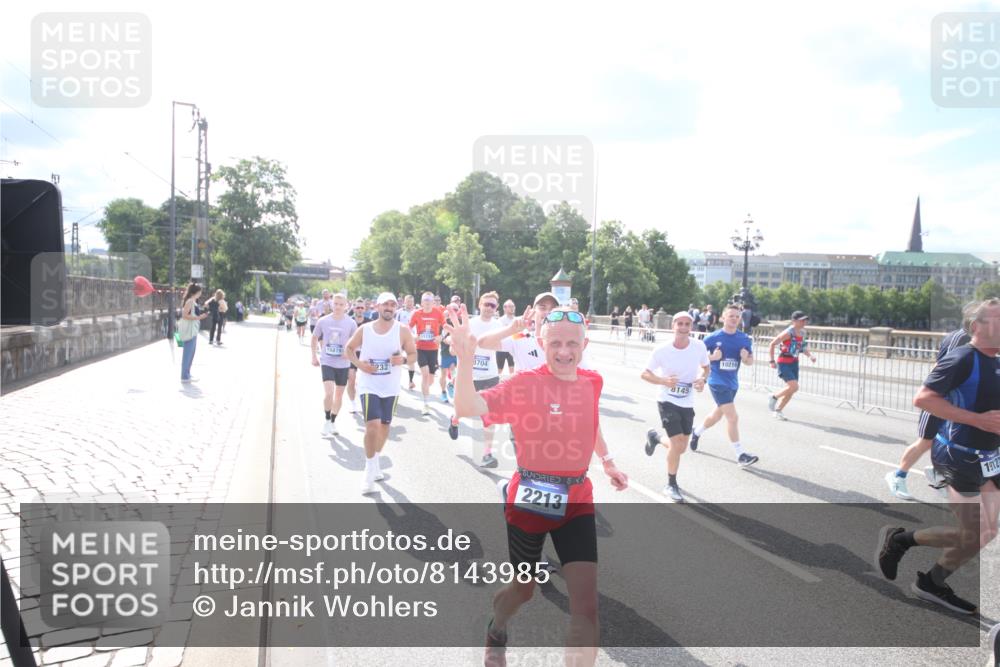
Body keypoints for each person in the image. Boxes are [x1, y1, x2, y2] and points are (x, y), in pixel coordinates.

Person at [448, 305, 628, 667]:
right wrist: (466, 361)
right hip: (531, 498)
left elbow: (590, 422)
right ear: (540, 343)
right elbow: (468, 407)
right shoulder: (524, 384)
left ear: (585, 343)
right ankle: (497, 628)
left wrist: (607, 461)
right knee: (523, 590)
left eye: (572, 344)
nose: (564, 351)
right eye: (556, 343)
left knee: (586, 608)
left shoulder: (592, 381)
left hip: (577, 497)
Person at [875, 298, 1000, 615]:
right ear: (978, 327)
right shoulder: (962, 359)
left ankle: (932, 583)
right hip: (958, 455)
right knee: (973, 532)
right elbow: (924, 398)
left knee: (986, 531)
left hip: (989, 456)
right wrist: (977, 420)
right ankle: (901, 540)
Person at [886, 322, 972, 499]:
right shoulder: (960, 337)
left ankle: (938, 473)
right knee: (926, 442)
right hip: (939, 400)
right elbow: (943, 368)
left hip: (958, 403)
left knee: (954, 442)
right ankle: (898, 476)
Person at [344, 292, 417, 495]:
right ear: (377, 307)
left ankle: (375, 459)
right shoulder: (365, 329)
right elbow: (348, 349)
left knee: (385, 427)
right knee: (372, 426)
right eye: (385, 304)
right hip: (369, 384)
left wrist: (402, 360)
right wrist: (359, 365)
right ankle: (369, 470)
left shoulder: (402, 330)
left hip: (391, 387)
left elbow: (413, 355)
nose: (389, 308)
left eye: (393, 305)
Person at [641, 312, 710, 502]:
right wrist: (663, 380)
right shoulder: (661, 350)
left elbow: (706, 367)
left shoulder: (699, 346)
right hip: (666, 400)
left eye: (687, 324)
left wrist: (703, 379)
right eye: (680, 323)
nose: (683, 327)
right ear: (673, 326)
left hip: (687, 401)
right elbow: (645, 374)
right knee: (677, 443)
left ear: (692, 327)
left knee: (681, 448)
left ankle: (655, 438)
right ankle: (671, 484)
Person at [689, 304, 759, 468]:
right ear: (723, 318)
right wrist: (712, 357)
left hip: (732, 383)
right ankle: (740, 454)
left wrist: (745, 358)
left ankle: (696, 432)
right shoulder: (712, 337)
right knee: (733, 417)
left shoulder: (743, 338)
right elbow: (697, 357)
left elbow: (750, 362)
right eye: (731, 316)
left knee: (716, 416)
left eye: (737, 316)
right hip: (717, 381)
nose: (734, 319)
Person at [448, 292, 502, 468]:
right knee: (464, 411)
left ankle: (487, 454)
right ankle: (455, 419)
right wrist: (454, 346)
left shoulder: (498, 325)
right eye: (486, 304)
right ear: (479, 305)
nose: (489, 308)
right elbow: (452, 340)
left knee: (490, 416)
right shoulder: (470, 323)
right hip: (469, 376)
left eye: (492, 305)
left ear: (496, 309)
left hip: (490, 375)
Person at [312, 294, 358, 436]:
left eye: (341, 304)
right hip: (327, 361)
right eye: (336, 304)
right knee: (329, 392)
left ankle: (332, 422)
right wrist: (313, 356)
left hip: (343, 364)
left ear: (346, 306)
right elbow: (314, 338)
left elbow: (356, 342)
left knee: (338, 396)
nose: (338, 306)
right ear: (332, 304)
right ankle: (326, 421)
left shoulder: (351, 323)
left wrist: (349, 353)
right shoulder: (323, 321)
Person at [766, 311, 817, 421]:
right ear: (794, 321)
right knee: (794, 387)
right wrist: (771, 361)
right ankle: (774, 396)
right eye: (802, 320)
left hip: (794, 362)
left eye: (805, 320)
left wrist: (810, 356)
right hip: (784, 362)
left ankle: (778, 410)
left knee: (791, 389)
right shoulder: (788, 333)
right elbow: (772, 344)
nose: (804, 322)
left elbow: (802, 347)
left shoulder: (803, 332)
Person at [410, 291, 448, 414]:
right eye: (425, 300)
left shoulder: (438, 313)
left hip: (433, 349)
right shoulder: (416, 313)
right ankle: (426, 403)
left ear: (433, 302)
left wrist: (441, 337)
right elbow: (408, 328)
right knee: (425, 374)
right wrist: (414, 335)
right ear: (421, 302)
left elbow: (446, 327)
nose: (427, 303)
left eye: (429, 300)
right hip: (421, 348)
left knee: (430, 380)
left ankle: (425, 389)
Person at [346, 302, 373, 414]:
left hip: (365, 355)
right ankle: (353, 404)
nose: (360, 309)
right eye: (358, 307)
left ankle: (364, 402)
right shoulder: (348, 321)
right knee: (351, 380)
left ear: (365, 309)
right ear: (354, 308)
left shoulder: (369, 322)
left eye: (362, 308)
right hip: (352, 354)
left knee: (365, 381)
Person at [179, 283, 209, 382]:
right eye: (200, 291)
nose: (201, 293)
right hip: (190, 331)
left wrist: (200, 315)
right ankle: (184, 376)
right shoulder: (190, 301)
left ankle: (187, 373)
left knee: (191, 353)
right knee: (188, 353)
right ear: (196, 292)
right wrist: (199, 317)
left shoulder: (193, 301)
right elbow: (184, 315)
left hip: (193, 330)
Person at [395, 294, 418, 389]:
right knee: (398, 360)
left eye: (411, 301)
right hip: (400, 339)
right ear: (404, 302)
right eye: (408, 301)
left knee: (411, 361)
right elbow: (395, 325)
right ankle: (396, 381)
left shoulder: (416, 312)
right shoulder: (399, 312)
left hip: (411, 339)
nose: (409, 303)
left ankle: (410, 381)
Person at [496, 299, 517, 377]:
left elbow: (518, 334)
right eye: (510, 306)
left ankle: (512, 387)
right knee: (499, 372)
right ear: (504, 308)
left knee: (513, 372)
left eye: (513, 306)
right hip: (501, 348)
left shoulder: (516, 320)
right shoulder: (500, 321)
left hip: (513, 347)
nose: (512, 308)